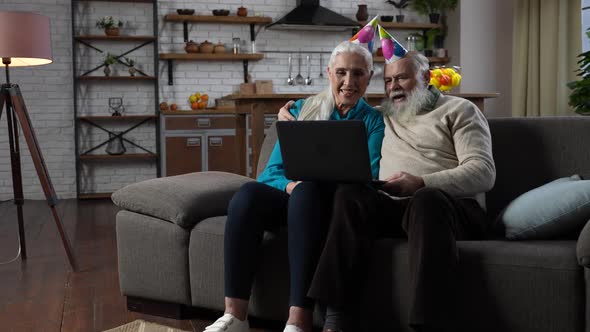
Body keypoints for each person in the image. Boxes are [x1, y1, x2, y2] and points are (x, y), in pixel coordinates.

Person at [278, 51, 496, 332]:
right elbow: (335, 113)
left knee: (425, 199)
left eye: (402, 78)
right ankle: (336, 321)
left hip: (452, 209)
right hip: (396, 207)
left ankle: (427, 324)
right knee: (350, 195)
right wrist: (294, 112)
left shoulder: (460, 110)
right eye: (389, 80)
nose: (393, 86)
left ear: (427, 78)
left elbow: (483, 172)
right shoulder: (381, 116)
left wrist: (421, 182)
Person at [203, 41, 384, 332]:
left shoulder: (375, 121)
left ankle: (298, 320)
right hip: (296, 197)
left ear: (370, 76)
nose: (348, 82)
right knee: (247, 195)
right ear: (328, 73)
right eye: (341, 72)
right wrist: (290, 187)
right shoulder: (301, 109)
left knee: (308, 191)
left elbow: (369, 175)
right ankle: (235, 316)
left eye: (358, 73)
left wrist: (306, 186)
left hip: (334, 206)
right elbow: (270, 174)